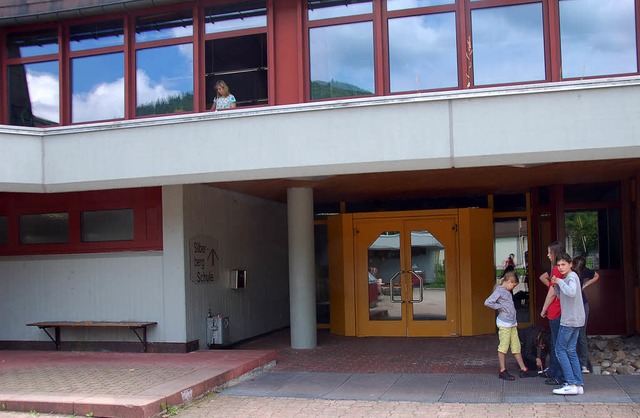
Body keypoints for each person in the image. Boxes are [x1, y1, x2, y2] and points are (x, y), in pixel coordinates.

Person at [484, 271, 536, 380]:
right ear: (509, 282)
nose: (513, 288)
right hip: (504, 323)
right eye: (513, 285)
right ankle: (502, 370)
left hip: (511, 323)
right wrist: (500, 308)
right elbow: (488, 302)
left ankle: (523, 368)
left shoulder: (506, 291)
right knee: (503, 346)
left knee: (516, 346)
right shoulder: (500, 290)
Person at [550, 252, 585, 395]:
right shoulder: (569, 278)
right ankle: (578, 383)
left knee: (560, 350)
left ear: (571, 264)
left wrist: (559, 282)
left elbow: (571, 292)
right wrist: (556, 285)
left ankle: (570, 383)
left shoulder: (571, 277)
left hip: (569, 320)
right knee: (570, 350)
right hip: (576, 319)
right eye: (558, 265)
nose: (561, 267)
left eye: (563, 264)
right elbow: (561, 295)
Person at [539, 241, 565, 385]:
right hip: (558, 310)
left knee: (558, 344)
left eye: (550, 252)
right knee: (557, 343)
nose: (548, 255)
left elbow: (552, 292)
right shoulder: (561, 270)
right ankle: (553, 370)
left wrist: (544, 309)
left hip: (556, 311)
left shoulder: (556, 269)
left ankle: (557, 373)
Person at [573, 255, 600, 374]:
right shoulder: (581, 271)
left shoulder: (572, 272)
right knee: (580, 334)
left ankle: (580, 364)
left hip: (578, 305)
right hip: (582, 304)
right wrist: (586, 284)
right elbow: (597, 276)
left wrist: (585, 284)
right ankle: (582, 364)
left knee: (577, 334)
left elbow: (596, 276)